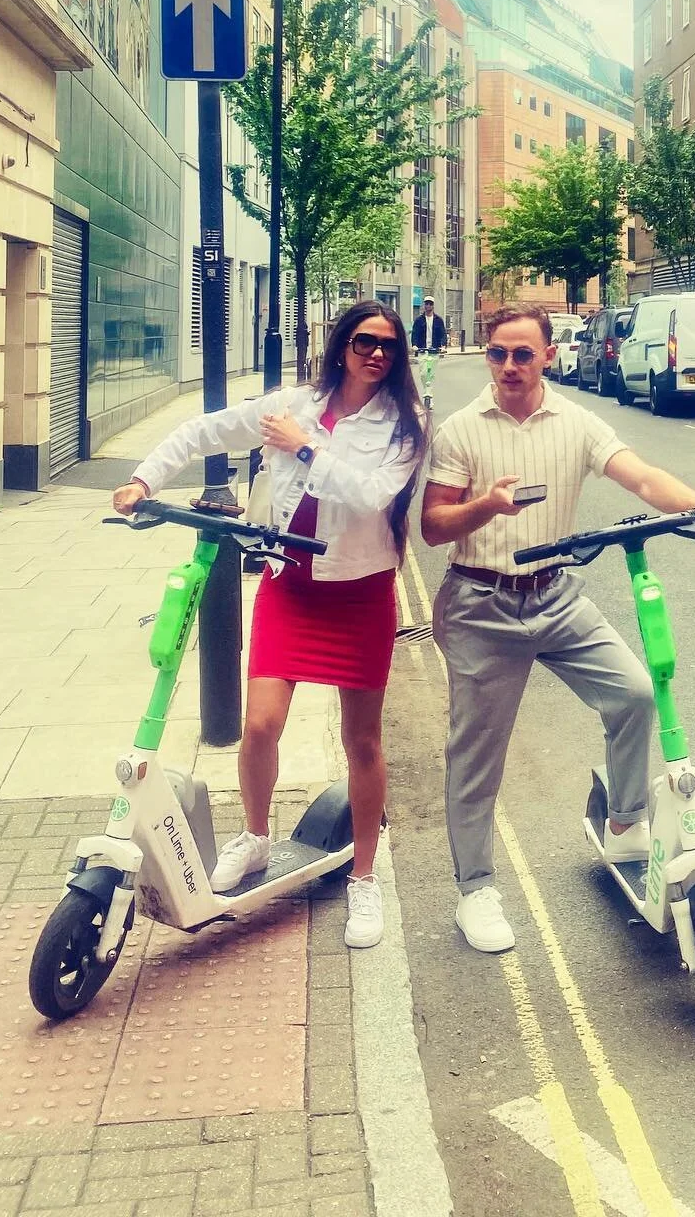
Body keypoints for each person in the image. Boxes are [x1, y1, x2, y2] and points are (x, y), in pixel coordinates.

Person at [420, 303, 695, 953]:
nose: (510, 366)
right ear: (487, 356)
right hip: (481, 603)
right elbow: (433, 526)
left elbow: (643, 477)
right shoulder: (460, 431)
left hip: (556, 595)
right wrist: (487, 504)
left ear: (545, 356)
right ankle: (475, 889)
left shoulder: (575, 423)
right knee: (476, 759)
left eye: (523, 354)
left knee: (634, 693)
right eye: (498, 354)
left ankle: (625, 822)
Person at [112, 299, 427, 950]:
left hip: (360, 594)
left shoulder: (406, 423)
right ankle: (255, 837)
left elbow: (372, 496)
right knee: (260, 725)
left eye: (389, 346)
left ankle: (364, 877)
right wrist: (144, 481)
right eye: (365, 341)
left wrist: (306, 449)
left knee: (362, 742)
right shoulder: (291, 405)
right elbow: (202, 431)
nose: (376, 353)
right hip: (291, 588)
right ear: (342, 345)